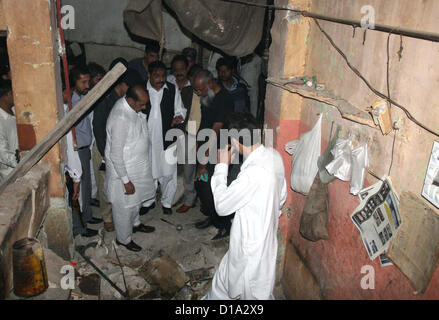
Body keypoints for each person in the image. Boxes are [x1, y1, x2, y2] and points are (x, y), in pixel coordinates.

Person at [204, 112, 287, 300]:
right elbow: (281, 197)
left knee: (254, 294)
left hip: (249, 251)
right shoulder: (274, 156)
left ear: (234, 141)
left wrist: (222, 165)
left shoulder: (252, 174)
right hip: (263, 240)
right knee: (223, 283)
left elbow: (222, 207)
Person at [92, 65, 144, 232]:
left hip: (120, 149)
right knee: (106, 185)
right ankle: (107, 217)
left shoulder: (124, 102)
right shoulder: (105, 99)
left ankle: (123, 217)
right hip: (103, 149)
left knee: (121, 184)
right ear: (125, 86)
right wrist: (104, 154)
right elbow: (98, 128)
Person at [104, 85, 156, 252]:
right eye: (141, 104)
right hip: (125, 171)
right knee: (124, 208)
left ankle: (135, 224)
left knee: (137, 201)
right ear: (131, 100)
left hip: (137, 166)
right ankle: (123, 239)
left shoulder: (130, 106)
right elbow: (116, 155)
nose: (144, 107)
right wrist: (126, 181)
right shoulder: (120, 118)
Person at [192, 69, 235, 240]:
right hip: (205, 147)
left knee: (212, 188)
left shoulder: (223, 99)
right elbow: (204, 122)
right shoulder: (207, 96)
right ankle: (212, 216)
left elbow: (215, 131)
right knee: (202, 186)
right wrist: (197, 142)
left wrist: (202, 163)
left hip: (216, 151)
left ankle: (224, 225)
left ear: (209, 84)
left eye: (199, 89)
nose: (197, 93)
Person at [140, 61, 186, 216]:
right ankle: (148, 201)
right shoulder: (141, 90)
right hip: (147, 140)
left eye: (163, 76)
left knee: (168, 173)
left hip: (167, 138)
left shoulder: (172, 90)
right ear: (149, 75)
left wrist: (179, 116)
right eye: (156, 76)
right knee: (148, 172)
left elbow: (180, 110)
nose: (161, 79)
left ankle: (166, 202)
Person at [69, 66, 102, 238]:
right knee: (79, 189)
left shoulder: (82, 97)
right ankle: (80, 226)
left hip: (84, 148)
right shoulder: (71, 101)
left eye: (88, 81)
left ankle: (87, 216)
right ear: (74, 82)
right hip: (76, 150)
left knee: (87, 186)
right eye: (83, 82)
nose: (87, 85)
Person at [175, 64, 203, 213]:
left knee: (204, 170)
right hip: (189, 134)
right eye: (192, 79)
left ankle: (205, 199)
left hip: (205, 136)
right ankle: (189, 199)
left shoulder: (208, 94)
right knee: (188, 170)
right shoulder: (186, 92)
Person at [0, 80, 18, 183]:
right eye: (14, 93)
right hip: (10, 176)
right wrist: (20, 160)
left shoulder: (16, 110)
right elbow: (2, 153)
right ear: (7, 95)